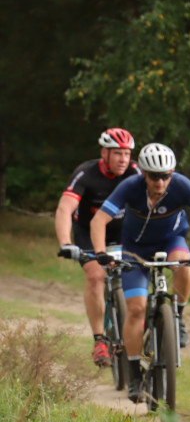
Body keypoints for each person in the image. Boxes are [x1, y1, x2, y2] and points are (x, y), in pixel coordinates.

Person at [90, 142, 190, 403]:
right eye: (154, 176)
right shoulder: (130, 186)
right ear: (143, 174)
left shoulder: (182, 185)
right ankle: (134, 373)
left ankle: (178, 315)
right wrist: (100, 252)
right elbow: (98, 221)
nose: (160, 182)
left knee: (183, 265)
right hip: (134, 250)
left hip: (171, 241)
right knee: (136, 308)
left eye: (166, 176)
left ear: (172, 174)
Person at [55, 128, 141, 367]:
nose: (123, 159)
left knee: (141, 271)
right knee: (95, 276)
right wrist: (65, 243)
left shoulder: (135, 172)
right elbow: (65, 209)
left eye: (127, 154)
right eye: (117, 154)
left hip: (124, 231)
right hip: (88, 233)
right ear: (104, 153)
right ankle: (100, 341)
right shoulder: (86, 173)